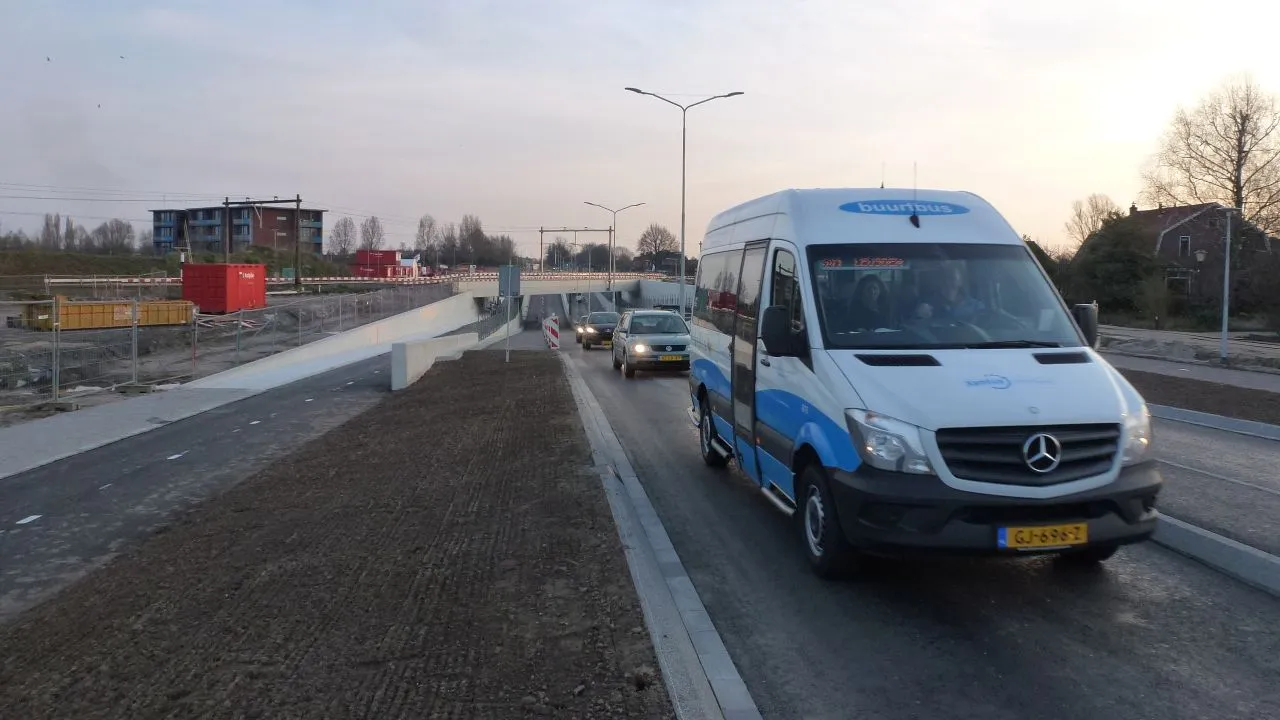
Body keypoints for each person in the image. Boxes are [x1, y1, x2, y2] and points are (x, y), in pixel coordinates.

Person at [915, 264, 985, 323]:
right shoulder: (927, 303)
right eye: (944, 279)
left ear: (960, 281)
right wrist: (919, 316)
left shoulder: (976, 307)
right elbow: (911, 329)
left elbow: (985, 330)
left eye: (952, 278)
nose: (947, 283)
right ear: (938, 282)